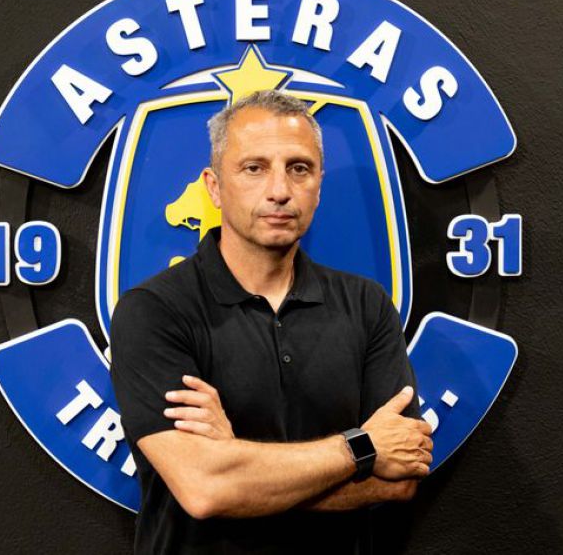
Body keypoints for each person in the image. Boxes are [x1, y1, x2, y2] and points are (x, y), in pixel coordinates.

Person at [109, 90, 433, 554]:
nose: (279, 190)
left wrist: (238, 466)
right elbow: (206, 489)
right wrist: (361, 448)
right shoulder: (154, 310)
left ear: (318, 185)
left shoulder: (367, 305)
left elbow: (399, 479)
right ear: (214, 187)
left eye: (299, 168)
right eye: (254, 168)